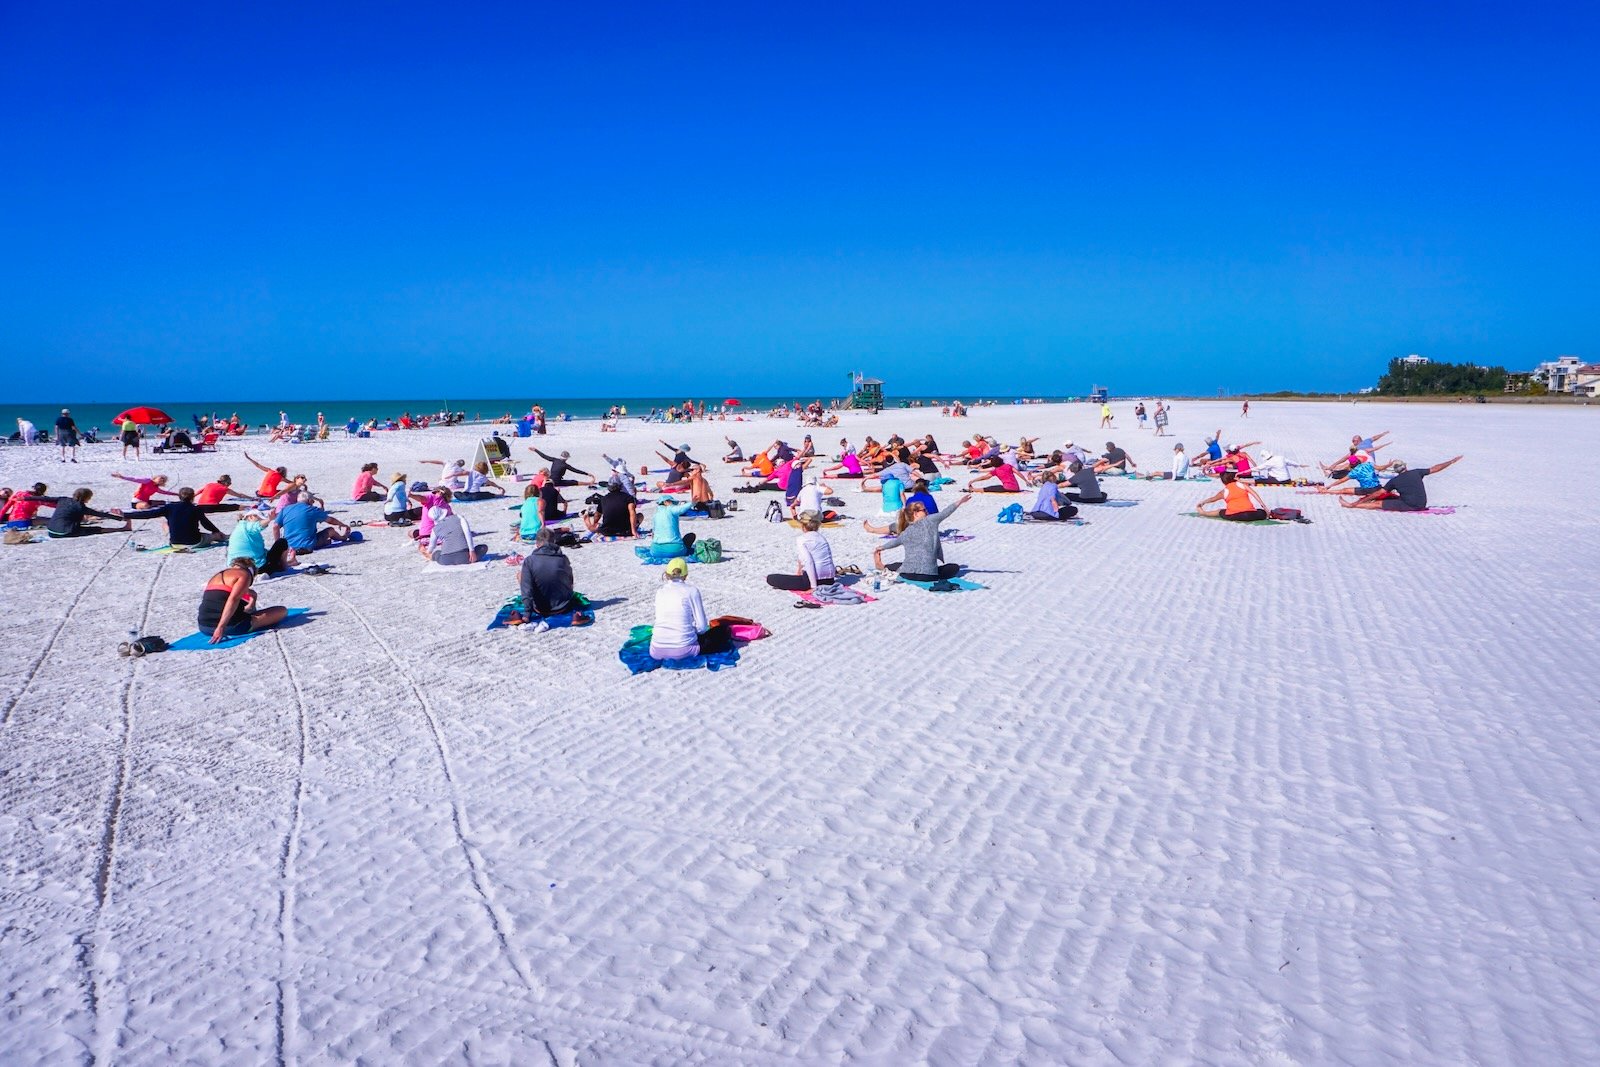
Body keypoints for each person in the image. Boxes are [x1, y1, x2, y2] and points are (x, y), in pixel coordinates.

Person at [872, 494, 970, 582]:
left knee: (900, 564)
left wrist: (881, 548)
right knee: (954, 567)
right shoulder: (930, 521)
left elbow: (894, 542)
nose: (927, 512)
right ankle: (882, 565)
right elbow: (945, 513)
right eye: (924, 510)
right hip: (929, 576)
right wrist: (959, 502)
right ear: (916, 513)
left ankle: (881, 566)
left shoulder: (906, 532)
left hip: (907, 574)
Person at [649, 557, 731, 660]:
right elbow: (702, 627)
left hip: (656, 650)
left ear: (667, 574)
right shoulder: (692, 591)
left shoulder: (660, 592)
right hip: (683, 650)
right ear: (686, 575)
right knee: (723, 631)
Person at [199, 558, 288, 644]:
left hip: (204, 626)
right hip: (230, 626)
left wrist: (253, 598)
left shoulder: (218, 576)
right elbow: (233, 599)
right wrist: (220, 627)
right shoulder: (244, 574)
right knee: (281, 611)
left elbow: (219, 598)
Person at [125, 487, 240, 547]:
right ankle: (223, 537)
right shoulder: (196, 508)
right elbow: (206, 524)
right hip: (194, 542)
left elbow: (147, 514)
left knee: (165, 523)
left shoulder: (170, 507)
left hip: (175, 542)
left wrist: (125, 515)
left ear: (180, 497)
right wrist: (217, 532)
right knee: (214, 536)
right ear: (192, 498)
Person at [518, 527, 590, 622]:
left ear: (536, 543)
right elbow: (570, 582)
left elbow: (527, 589)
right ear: (554, 541)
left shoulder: (529, 561)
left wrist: (527, 614)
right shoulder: (563, 558)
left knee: (520, 575)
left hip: (540, 609)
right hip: (564, 606)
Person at [1344, 455, 1463, 511]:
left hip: (1411, 505)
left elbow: (1377, 494)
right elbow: (1435, 468)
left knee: (1378, 503)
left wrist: (1359, 501)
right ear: (1405, 466)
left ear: (1396, 470)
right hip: (1422, 502)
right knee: (1387, 499)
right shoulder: (1417, 472)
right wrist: (1451, 461)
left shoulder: (1395, 480)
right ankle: (1355, 505)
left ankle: (1353, 506)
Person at [766, 511, 838, 590]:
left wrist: (813, 587)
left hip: (813, 581)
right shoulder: (822, 538)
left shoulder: (802, 539)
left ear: (803, 526)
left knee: (770, 578)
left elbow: (809, 562)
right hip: (830, 580)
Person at [421, 490, 483, 564]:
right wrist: (471, 550)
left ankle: (431, 556)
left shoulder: (435, 529)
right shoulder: (459, 517)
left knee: (437, 553)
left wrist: (428, 552)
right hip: (465, 557)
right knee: (483, 547)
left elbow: (432, 546)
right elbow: (467, 533)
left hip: (445, 560)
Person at [279, 492, 354, 552]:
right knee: (330, 530)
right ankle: (343, 538)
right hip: (307, 545)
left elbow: (275, 526)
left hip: (289, 546)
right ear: (309, 501)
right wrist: (342, 525)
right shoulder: (312, 510)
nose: (313, 502)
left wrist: (278, 544)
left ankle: (326, 542)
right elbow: (330, 520)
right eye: (312, 501)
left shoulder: (286, 509)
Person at [227, 510, 294, 574]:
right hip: (256, 568)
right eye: (259, 519)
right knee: (282, 542)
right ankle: (284, 567)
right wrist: (269, 519)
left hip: (235, 567)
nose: (260, 521)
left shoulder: (240, 527)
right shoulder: (248, 526)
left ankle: (283, 564)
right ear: (250, 517)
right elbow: (257, 526)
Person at [44, 488, 131, 538]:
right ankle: (122, 529)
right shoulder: (80, 507)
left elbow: (44, 498)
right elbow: (100, 514)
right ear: (86, 498)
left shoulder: (63, 499)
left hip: (51, 531)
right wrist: (121, 518)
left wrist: (30, 497)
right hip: (65, 532)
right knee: (96, 529)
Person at [1195, 471, 1269, 521]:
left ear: (1223, 482)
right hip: (1251, 514)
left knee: (1219, 511)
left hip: (1235, 515)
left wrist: (1202, 502)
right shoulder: (1242, 485)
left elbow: (1213, 499)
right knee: (1262, 512)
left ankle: (1203, 513)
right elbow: (1254, 494)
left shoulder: (1224, 491)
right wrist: (1264, 506)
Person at [111, 472, 178, 510]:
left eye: (162, 481)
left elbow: (165, 492)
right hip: (136, 502)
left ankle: (178, 503)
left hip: (146, 501)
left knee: (163, 503)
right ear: (156, 477)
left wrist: (177, 494)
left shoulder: (156, 488)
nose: (160, 480)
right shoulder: (147, 481)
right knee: (146, 505)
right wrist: (122, 477)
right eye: (160, 478)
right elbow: (134, 479)